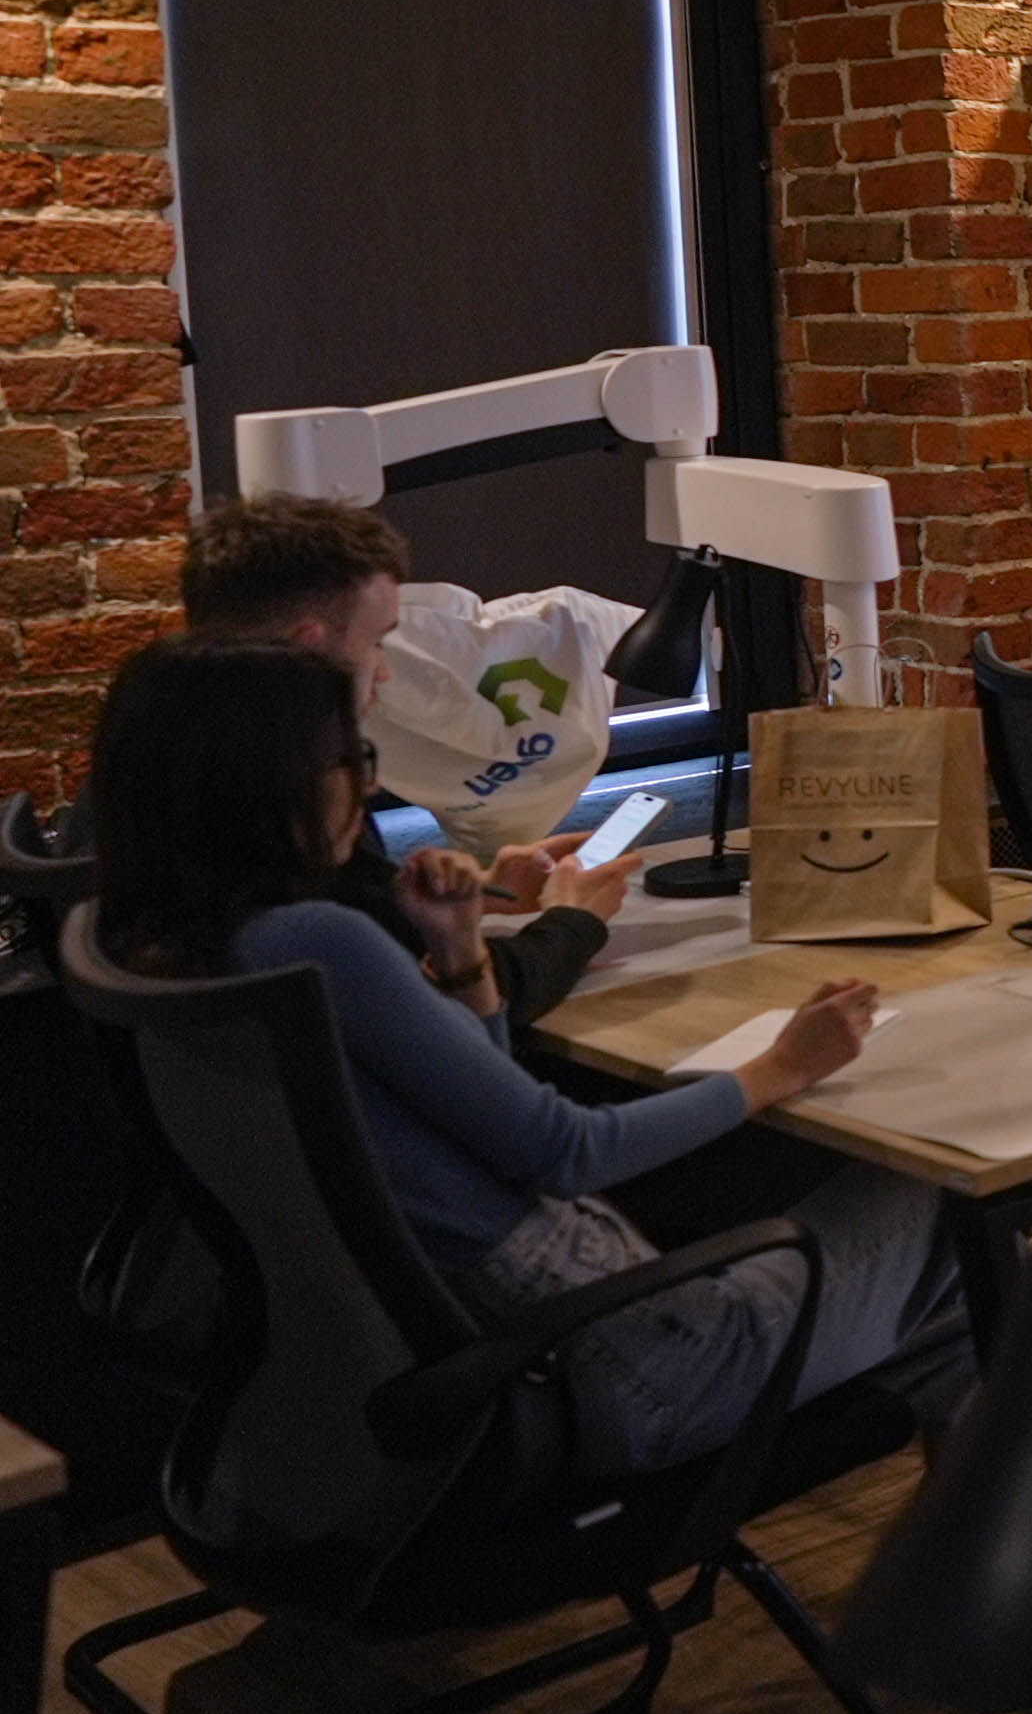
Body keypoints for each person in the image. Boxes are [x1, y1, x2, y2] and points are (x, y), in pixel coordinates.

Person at [83, 638, 970, 1477]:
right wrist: (782, 1066)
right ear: (262, 787)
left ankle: (962, 1564)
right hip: (620, 1357)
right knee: (955, 1198)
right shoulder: (316, 941)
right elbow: (564, 1149)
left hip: (492, 1363)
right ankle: (989, 1571)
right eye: (350, 759)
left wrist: (461, 953)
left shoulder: (163, 942)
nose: (368, 782)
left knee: (959, 1329)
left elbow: (494, 1117)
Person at [181, 496, 628, 1025]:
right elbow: (468, 993)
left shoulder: (180, 763)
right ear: (310, 647)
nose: (386, 671)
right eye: (377, 642)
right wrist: (574, 920)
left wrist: (482, 894)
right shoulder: (296, 799)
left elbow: (377, 928)